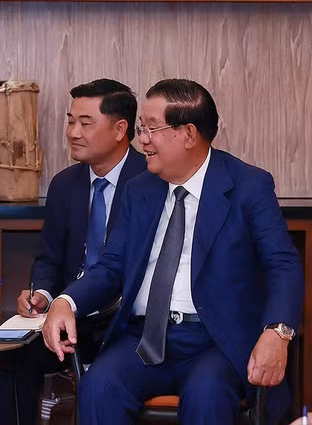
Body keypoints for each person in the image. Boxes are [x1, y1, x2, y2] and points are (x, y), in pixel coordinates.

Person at [43, 79, 303, 425]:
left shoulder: (247, 185)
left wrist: (278, 331)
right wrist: (66, 301)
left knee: (207, 394)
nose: (142, 140)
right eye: (141, 128)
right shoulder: (141, 190)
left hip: (214, 341)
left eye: (151, 128)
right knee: (99, 384)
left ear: (189, 134)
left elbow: (282, 264)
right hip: (144, 339)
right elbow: (112, 266)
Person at [0, 78, 147, 424]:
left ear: (120, 128)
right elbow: (49, 257)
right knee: (11, 356)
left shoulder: (150, 181)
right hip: (67, 318)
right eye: (70, 120)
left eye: (85, 123)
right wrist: (43, 294)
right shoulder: (65, 184)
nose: (73, 132)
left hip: (122, 323)